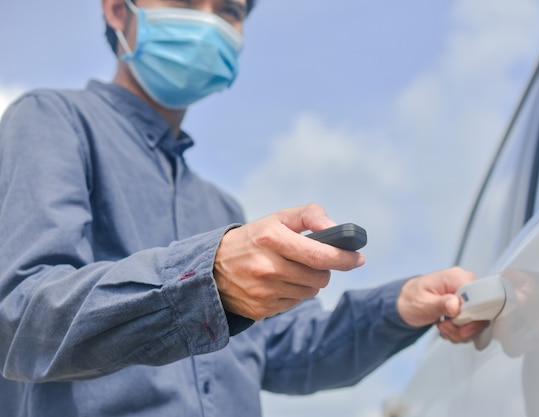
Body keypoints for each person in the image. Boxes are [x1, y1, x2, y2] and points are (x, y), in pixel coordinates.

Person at [0, 0, 487, 415]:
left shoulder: (220, 207)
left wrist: (400, 308)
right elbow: (21, 317)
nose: (208, 23)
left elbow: (286, 351)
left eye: (229, 11)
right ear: (115, 9)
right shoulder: (52, 120)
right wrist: (204, 280)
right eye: (187, 3)